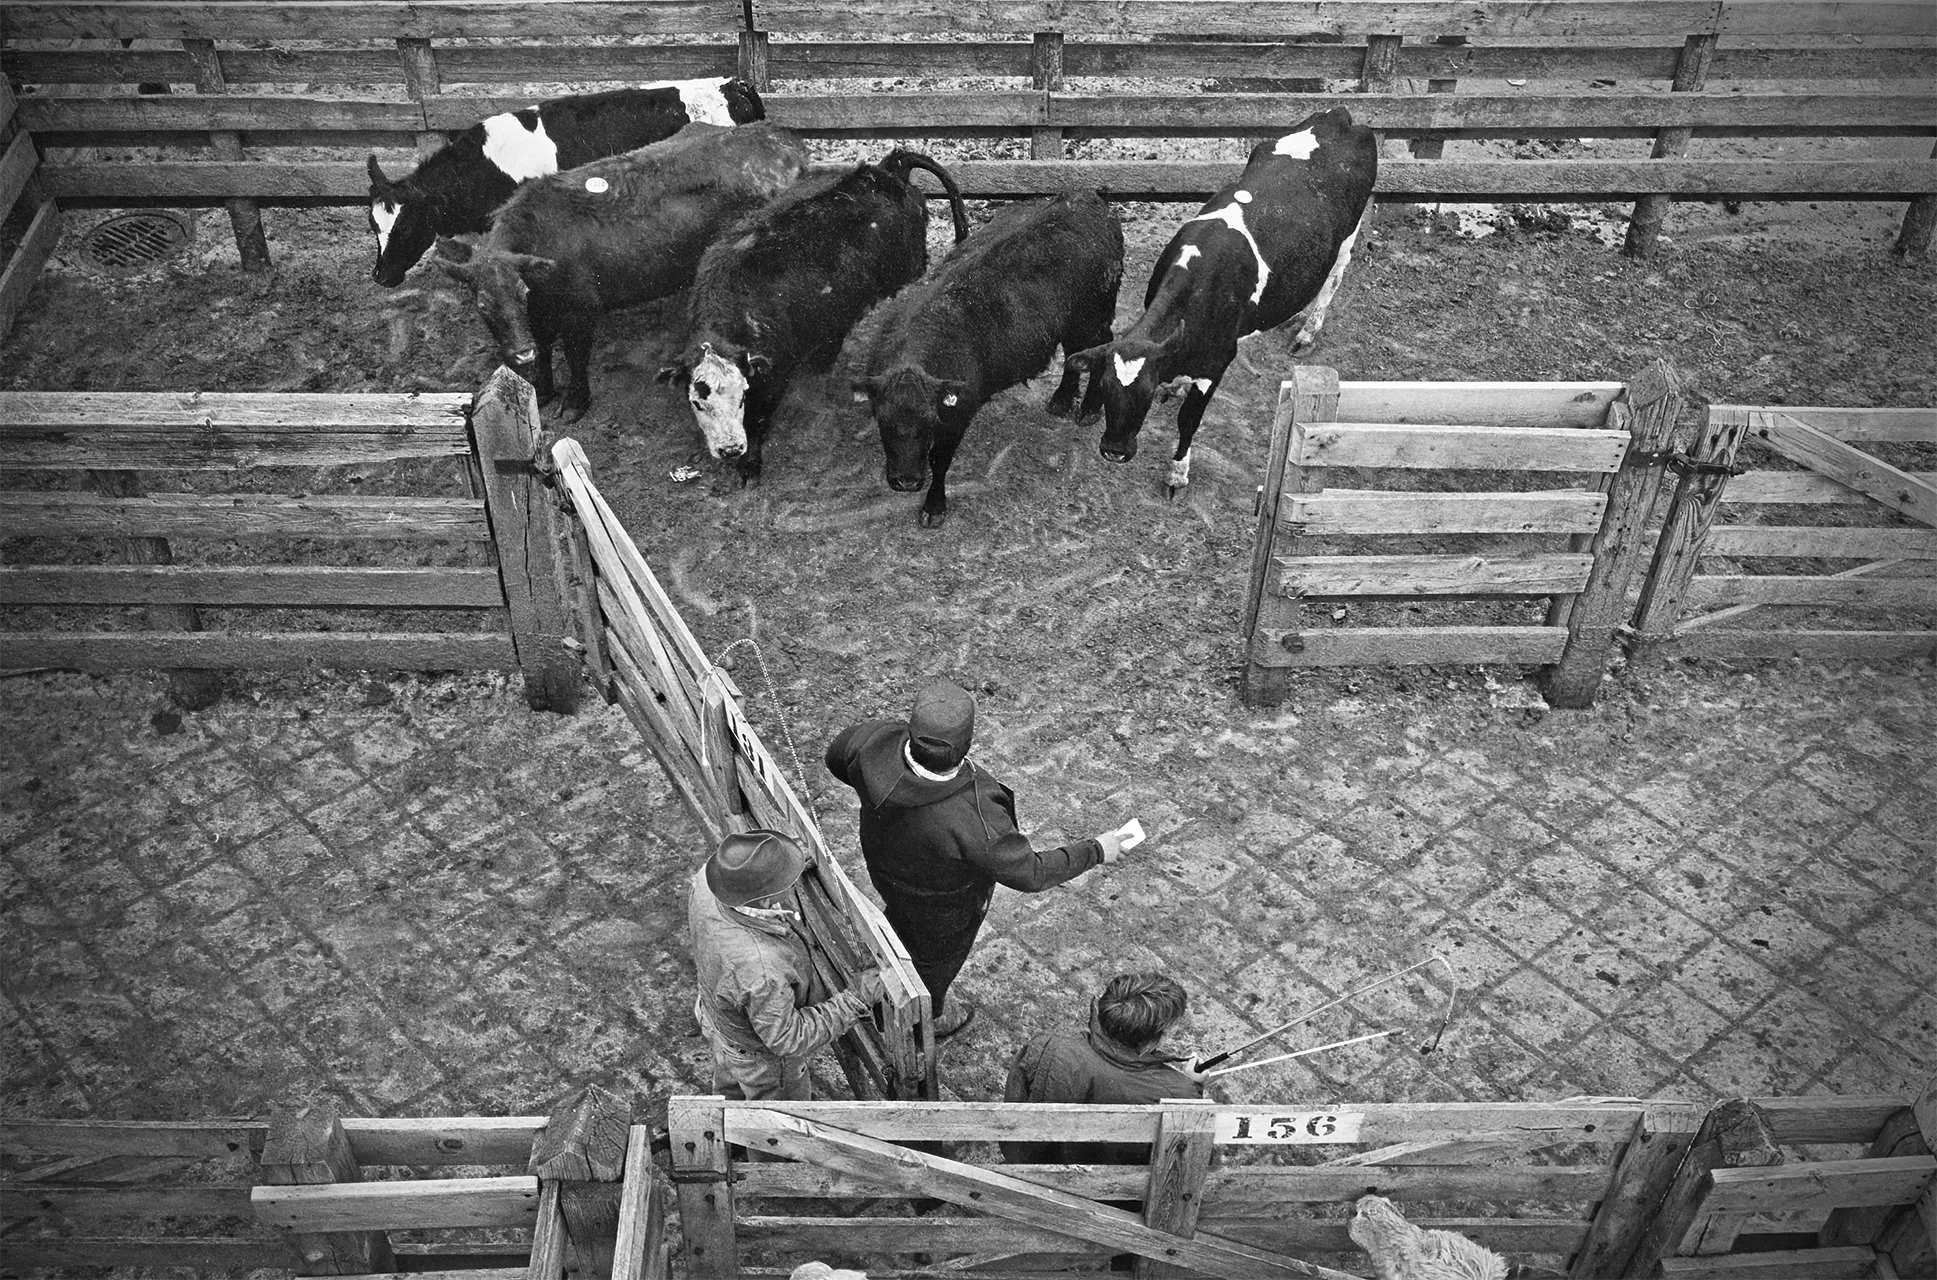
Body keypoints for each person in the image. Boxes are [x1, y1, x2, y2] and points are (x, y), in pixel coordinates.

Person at [825, 679, 1138, 1040]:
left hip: (886, 871)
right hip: (945, 909)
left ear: (912, 731)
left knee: (902, 920)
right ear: (967, 744)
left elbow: (836, 757)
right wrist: (1098, 849)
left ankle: (896, 957)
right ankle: (931, 1016)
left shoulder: (873, 741)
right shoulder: (978, 820)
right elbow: (1031, 874)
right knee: (935, 962)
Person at [688, 827, 885, 1101]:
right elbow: (787, 1037)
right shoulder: (762, 968)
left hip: (720, 1021)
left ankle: (730, 1136)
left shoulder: (709, 880)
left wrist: (782, 864)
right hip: (761, 1062)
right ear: (768, 899)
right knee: (775, 1128)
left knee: (729, 1095)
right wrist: (856, 1000)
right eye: (784, 881)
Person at [1001, 973, 1212, 1166]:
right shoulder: (1178, 1093)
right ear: (1155, 1038)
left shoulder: (1047, 1047)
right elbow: (1189, 1157)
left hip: (1033, 1167)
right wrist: (1193, 1086)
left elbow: (1015, 1113)